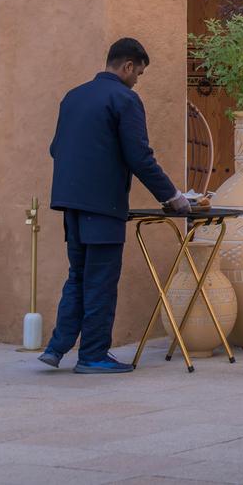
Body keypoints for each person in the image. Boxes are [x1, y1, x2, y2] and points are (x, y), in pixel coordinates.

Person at [40, 38, 189, 373]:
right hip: (103, 205)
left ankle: (57, 346)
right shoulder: (125, 99)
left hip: (70, 204)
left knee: (77, 275)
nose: (138, 79)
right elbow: (140, 157)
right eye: (139, 72)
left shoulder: (73, 97)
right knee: (101, 280)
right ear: (127, 66)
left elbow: (55, 149)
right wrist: (173, 197)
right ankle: (92, 355)